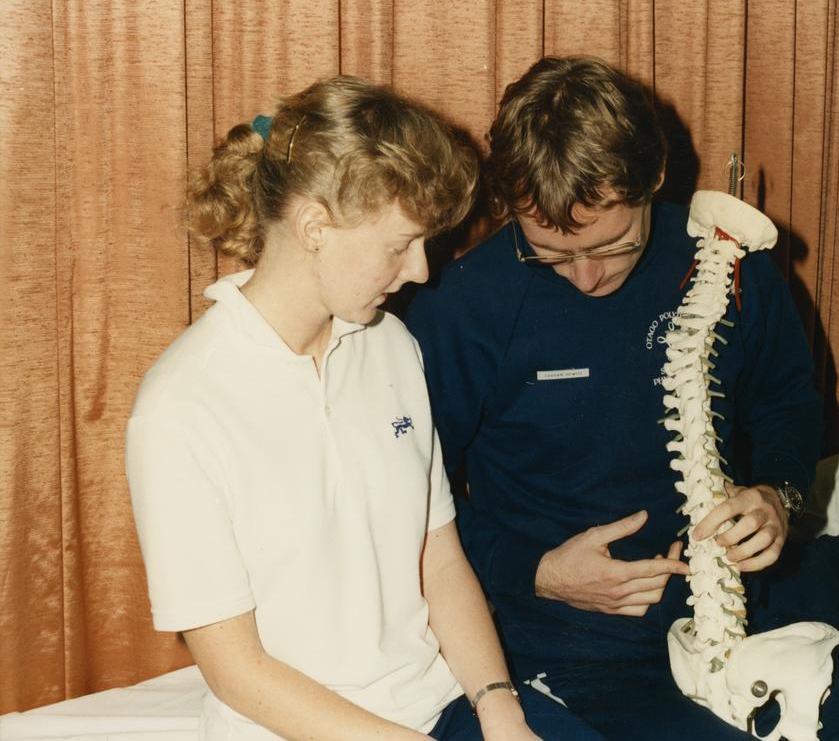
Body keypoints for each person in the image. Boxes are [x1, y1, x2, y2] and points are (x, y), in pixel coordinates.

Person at [404, 56, 839, 740]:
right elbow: (410, 499)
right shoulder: (462, 305)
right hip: (578, 643)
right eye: (550, 252)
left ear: (653, 177)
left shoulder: (729, 264)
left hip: (751, 616)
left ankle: (836, 571)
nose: (585, 277)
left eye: (612, 245)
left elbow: (787, 405)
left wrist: (777, 495)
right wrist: (537, 572)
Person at [126, 75, 604, 741]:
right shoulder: (181, 406)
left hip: (442, 706)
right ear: (314, 227)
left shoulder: (391, 345)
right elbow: (237, 670)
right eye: (400, 244)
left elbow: (439, 560)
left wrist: (500, 708)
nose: (421, 271)